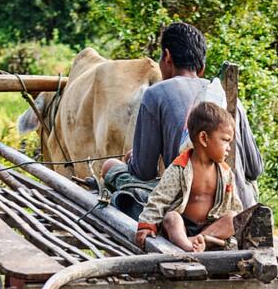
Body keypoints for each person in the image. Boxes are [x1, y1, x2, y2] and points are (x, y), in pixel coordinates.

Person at [101, 21, 263, 212]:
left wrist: (131, 159)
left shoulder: (156, 94)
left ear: (167, 57)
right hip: (241, 206)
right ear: (201, 67)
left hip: (190, 209)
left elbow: (144, 172)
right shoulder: (226, 95)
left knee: (110, 166)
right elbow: (255, 169)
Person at [134, 101, 243, 251]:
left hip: (211, 227)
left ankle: (200, 240)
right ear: (204, 138)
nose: (229, 148)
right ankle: (188, 246)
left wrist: (239, 224)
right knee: (172, 218)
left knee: (233, 218)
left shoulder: (225, 172)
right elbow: (160, 198)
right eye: (225, 140)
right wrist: (147, 224)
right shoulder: (180, 167)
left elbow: (234, 204)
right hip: (183, 225)